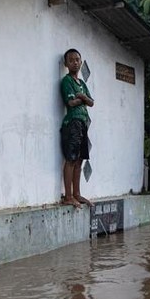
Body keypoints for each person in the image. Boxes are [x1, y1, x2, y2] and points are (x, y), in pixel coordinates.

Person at [59, 48, 94, 208]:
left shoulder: (82, 83)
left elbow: (91, 102)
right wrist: (83, 98)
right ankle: (68, 196)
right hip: (72, 123)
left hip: (83, 123)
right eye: (71, 60)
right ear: (66, 63)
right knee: (71, 159)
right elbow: (71, 103)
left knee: (80, 160)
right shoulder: (66, 81)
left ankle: (77, 194)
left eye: (77, 59)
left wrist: (81, 96)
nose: (75, 62)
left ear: (81, 62)